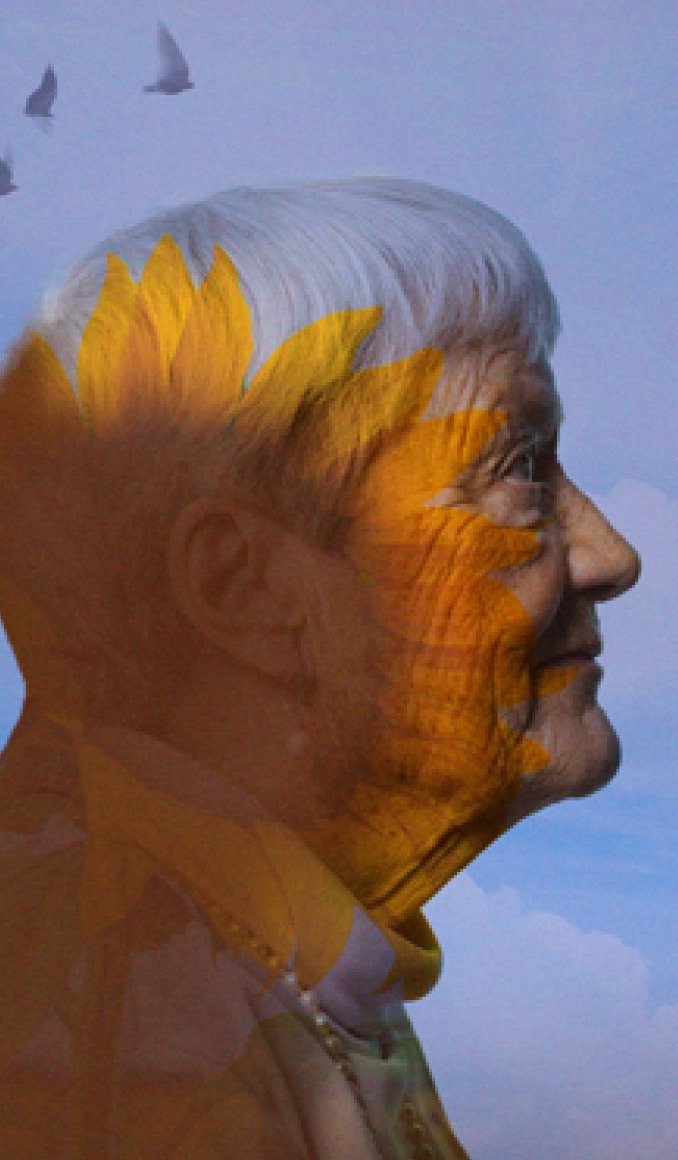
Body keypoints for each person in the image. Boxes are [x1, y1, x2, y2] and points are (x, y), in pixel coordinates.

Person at [0, 178, 639, 1157]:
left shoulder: (237, 954)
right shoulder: (117, 1019)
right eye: (516, 468)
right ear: (247, 586)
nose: (610, 555)